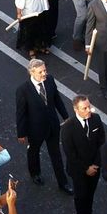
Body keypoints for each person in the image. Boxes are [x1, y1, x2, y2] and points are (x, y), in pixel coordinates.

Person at [15, 58, 72, 191]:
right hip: (35, 129)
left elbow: (57, 99)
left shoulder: (50, 80)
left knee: (56, 154)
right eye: (41, 72)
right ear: (31, 72)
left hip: (52, 125)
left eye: (45, 70)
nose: (44, 74)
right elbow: (21, 113)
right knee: (34, 151)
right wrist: (21, 133)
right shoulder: (23, 90)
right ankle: (35, 173)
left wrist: (66, 116)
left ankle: (63, 183)